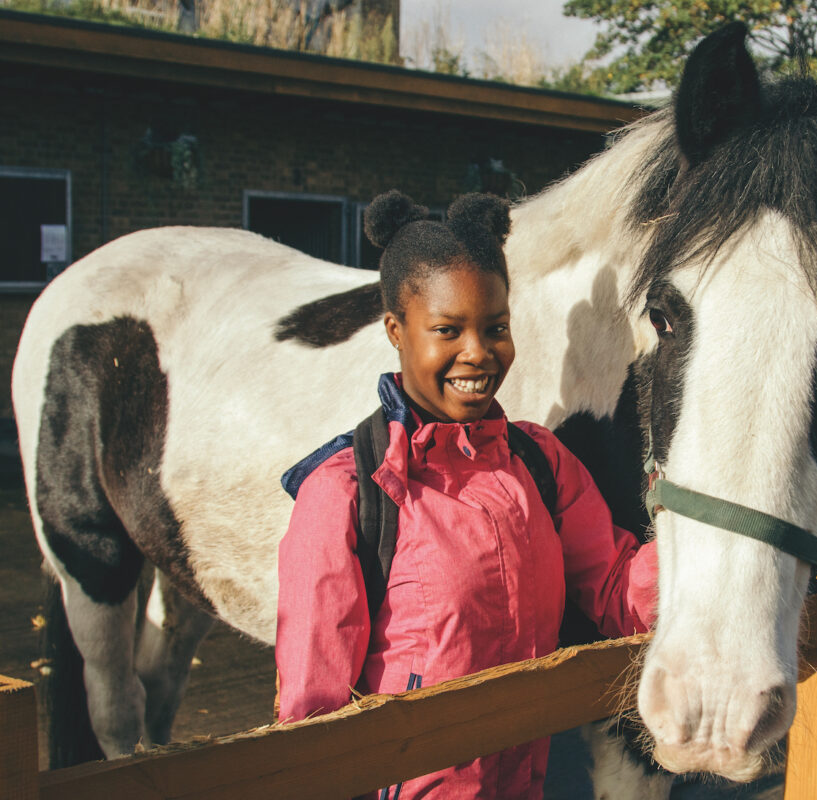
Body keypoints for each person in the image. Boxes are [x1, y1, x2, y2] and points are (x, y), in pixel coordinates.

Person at [274, 190, 658, 799]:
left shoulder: (540, 462)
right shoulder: (346, 494)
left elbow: (619, 592)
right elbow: (310, 721)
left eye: (495, 327)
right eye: (447, 330)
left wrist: (698, 528)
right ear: (396, 332)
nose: (478, 352)